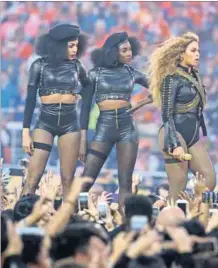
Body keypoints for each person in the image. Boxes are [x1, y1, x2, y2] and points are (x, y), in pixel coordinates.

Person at [79, 32, 150, 208]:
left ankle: (125, 227)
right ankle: (71, 217)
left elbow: (160, 86)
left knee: (125, 182)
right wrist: (82, 141)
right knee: (86, 179)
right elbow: (84, 108)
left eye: (130, 50)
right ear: (113, 52)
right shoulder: (95, 74)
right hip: (104, 126)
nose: (130, 54)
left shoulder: (132, 72)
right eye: (125, 50)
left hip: (128, 127)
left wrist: (144, 102)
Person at [21, 24, 90, 198]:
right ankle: (17, 219)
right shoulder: (39, 65)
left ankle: (69, 223)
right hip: (45, 122)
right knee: (32, 178)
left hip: (70, 123)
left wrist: (80, 94)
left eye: (76, 45)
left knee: (68, 180)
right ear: (59, 45)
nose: (75, 49)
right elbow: (29, 100)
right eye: (71, 45)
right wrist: (25, 133)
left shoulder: (77, 66)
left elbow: (89, 88)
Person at [148, 32, 216, 201]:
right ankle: (165, 218)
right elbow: (166, 114)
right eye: (193, 50)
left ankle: (190, 210)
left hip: (192, 136)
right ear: (180, 54)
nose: (197, 54)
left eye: (198, 51)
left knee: (209, 182)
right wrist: (174, 143)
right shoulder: (171, 79)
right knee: (178, 185)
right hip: (173, 134)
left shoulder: (195, 76)